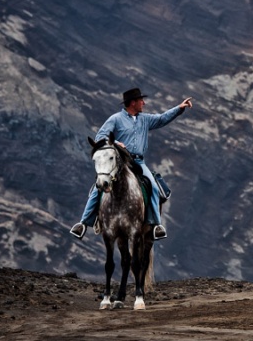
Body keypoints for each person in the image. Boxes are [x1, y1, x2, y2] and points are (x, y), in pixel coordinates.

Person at [70, 88, 193, 241]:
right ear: (133, 102)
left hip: (138, 162)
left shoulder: (145, 119)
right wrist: (115, 143)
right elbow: (100, 136)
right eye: (141, 100)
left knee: (153, 186)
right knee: (99, 186)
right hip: (120, 161)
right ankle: (83, 223)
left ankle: (156, 225)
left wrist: (179, 109)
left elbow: (162, 119)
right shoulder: (115, 119)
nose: (144, 103)